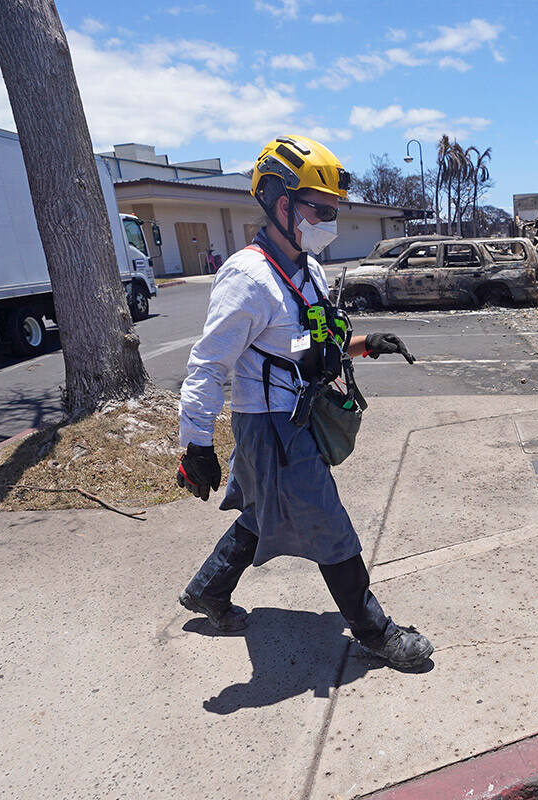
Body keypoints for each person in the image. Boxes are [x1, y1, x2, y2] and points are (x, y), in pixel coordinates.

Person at [175, 134, 433, 670]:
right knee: (328, 524)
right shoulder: (248, 277)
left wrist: (365, 344)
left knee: (261, 511)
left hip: (296, 415)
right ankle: (375, 630)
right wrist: (195, 444)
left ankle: (208, 591)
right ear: (282, 203)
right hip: (268, 426)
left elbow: (310, 344)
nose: (329, 221)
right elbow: (206, 365)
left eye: (334, 211)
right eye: (320, 209)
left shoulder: (309, 270)